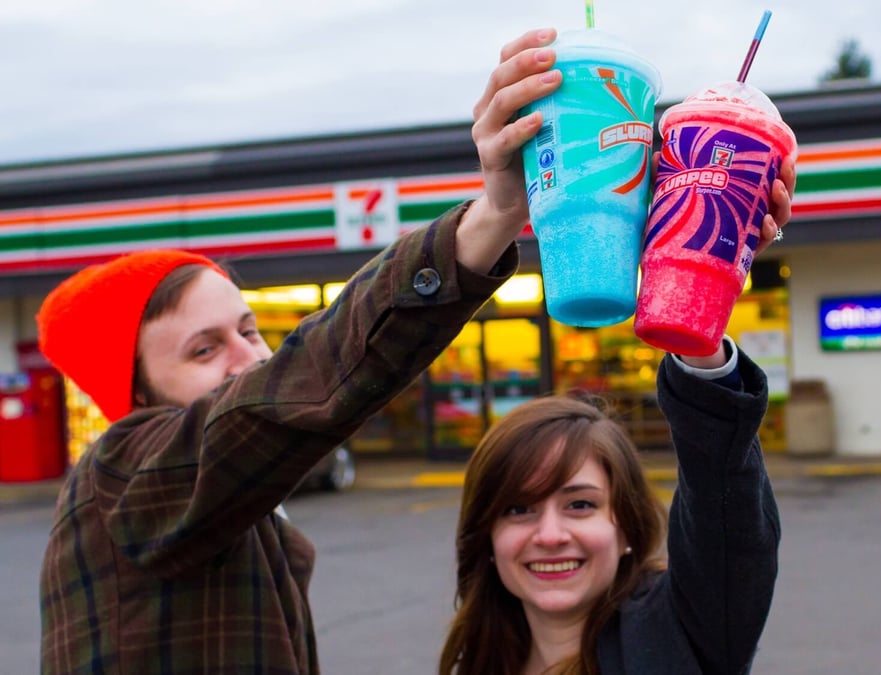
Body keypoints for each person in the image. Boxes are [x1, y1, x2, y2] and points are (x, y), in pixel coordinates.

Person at [35, 27, 578, 675]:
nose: (250, 359)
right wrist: (492, 217)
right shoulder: (121, 475)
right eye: (204, 349)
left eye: (249, 329)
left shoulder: (234, 508)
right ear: (138, 394)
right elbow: (294, 384)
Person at [438, 144, 795, 675]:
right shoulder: (475, 662)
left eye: (580, 504)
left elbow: (728, 519)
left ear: (625, 527)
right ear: (485, 537)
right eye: (518, 509)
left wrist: (694, 293)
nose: (550, 534)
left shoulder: (679, 638)